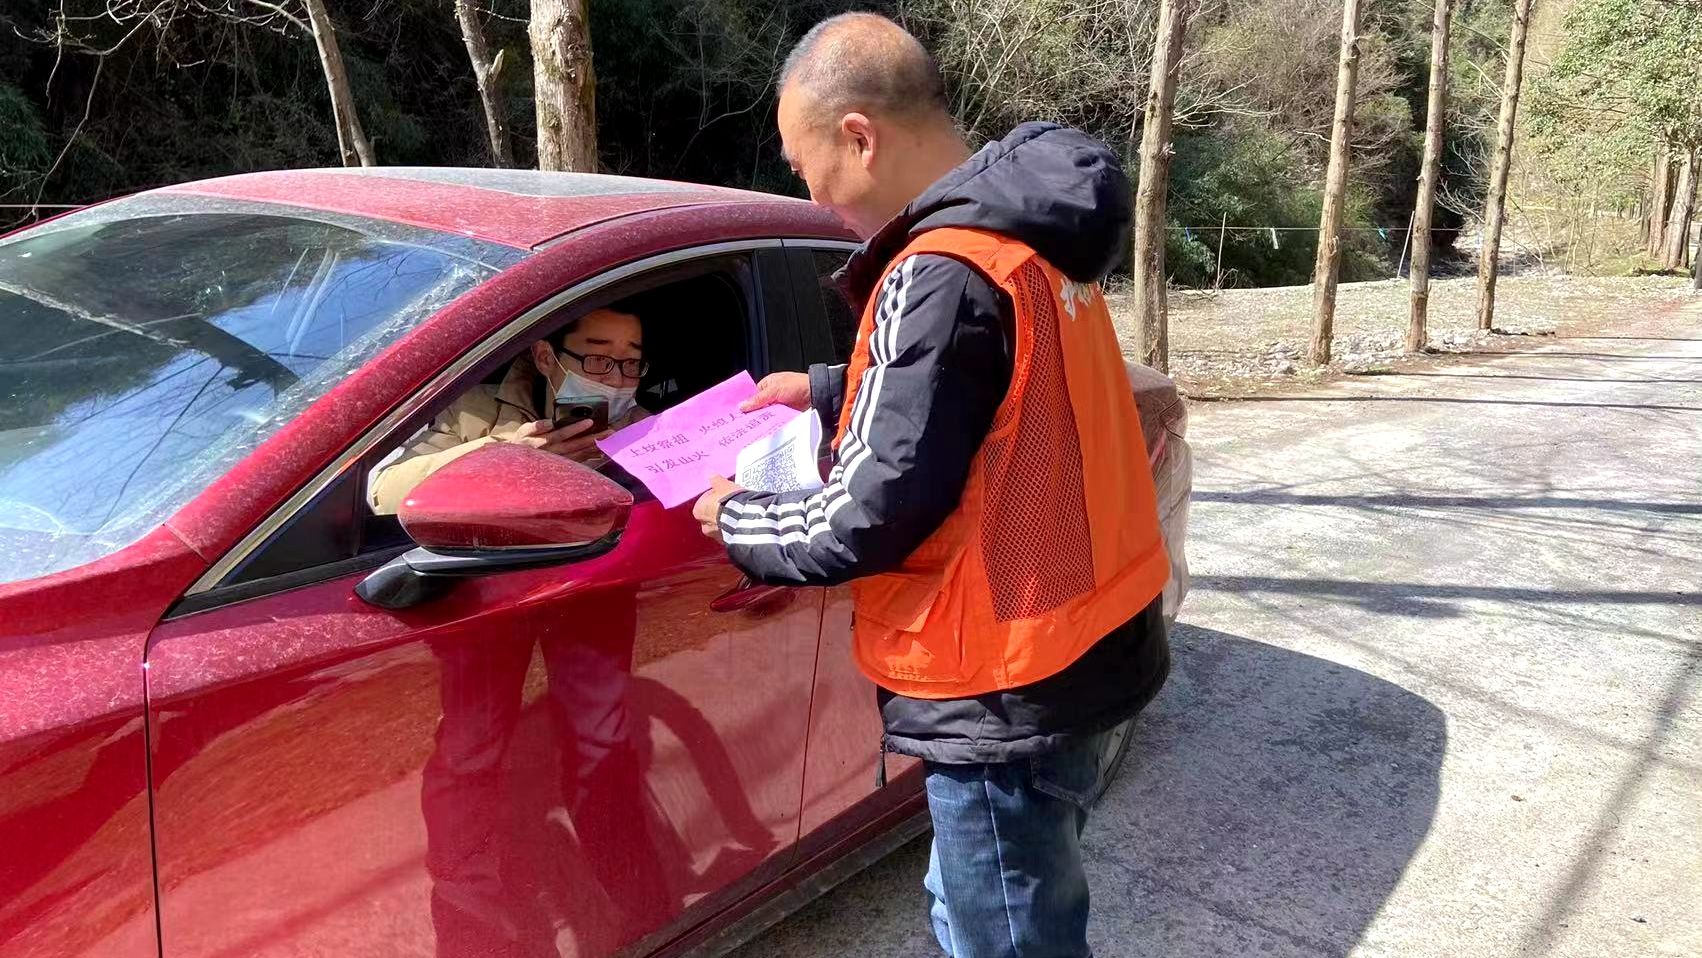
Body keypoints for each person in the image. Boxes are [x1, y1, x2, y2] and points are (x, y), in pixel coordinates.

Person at [691, 13, 1171, 958]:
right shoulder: (1029, 238)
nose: (812, 193)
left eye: (805, 165)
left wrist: (735, 515)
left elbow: (865, 516)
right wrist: (829, 389)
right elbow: (995, 392)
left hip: (1000, 679)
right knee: (996, 912)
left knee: (1003, 938)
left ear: (859, 136)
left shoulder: (940, 270)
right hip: (1079, 640)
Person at [368, 307, 649, 514]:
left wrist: (645, 445)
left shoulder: (645, 431)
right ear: (545, 358)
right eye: (598, 359)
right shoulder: (472, 411)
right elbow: (385, 496)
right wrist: (506, 456)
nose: (616, 379)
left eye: (631, 363)